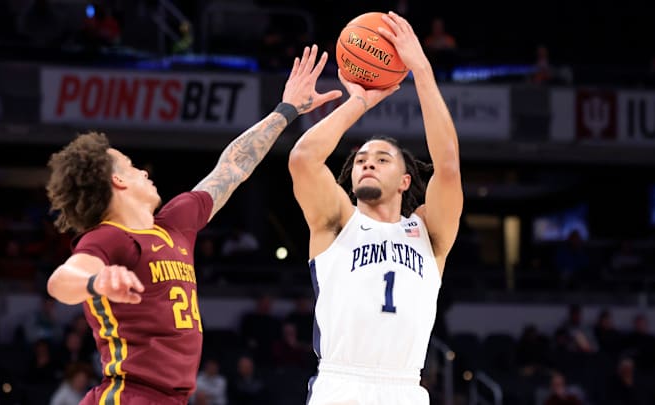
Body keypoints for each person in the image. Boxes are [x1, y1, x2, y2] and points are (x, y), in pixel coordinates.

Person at [45, 44, 341, 405]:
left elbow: (232, 168)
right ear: (118, 182)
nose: (143, 171)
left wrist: (286, 110)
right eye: (132, 166)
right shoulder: (110, 239)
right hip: (128, 395)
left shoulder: (175, 223)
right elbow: (61, 282)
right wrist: (95, 281)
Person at [288, 11, 462, 405]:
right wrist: (360, 103)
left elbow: (448, 167)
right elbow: (302, 159)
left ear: (405, 181)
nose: (368, 162)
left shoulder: (428, 235)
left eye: (383, 159)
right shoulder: (335, 222)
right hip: (340, 385)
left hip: (405, 387)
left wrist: (421, 68)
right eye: (362, 158)